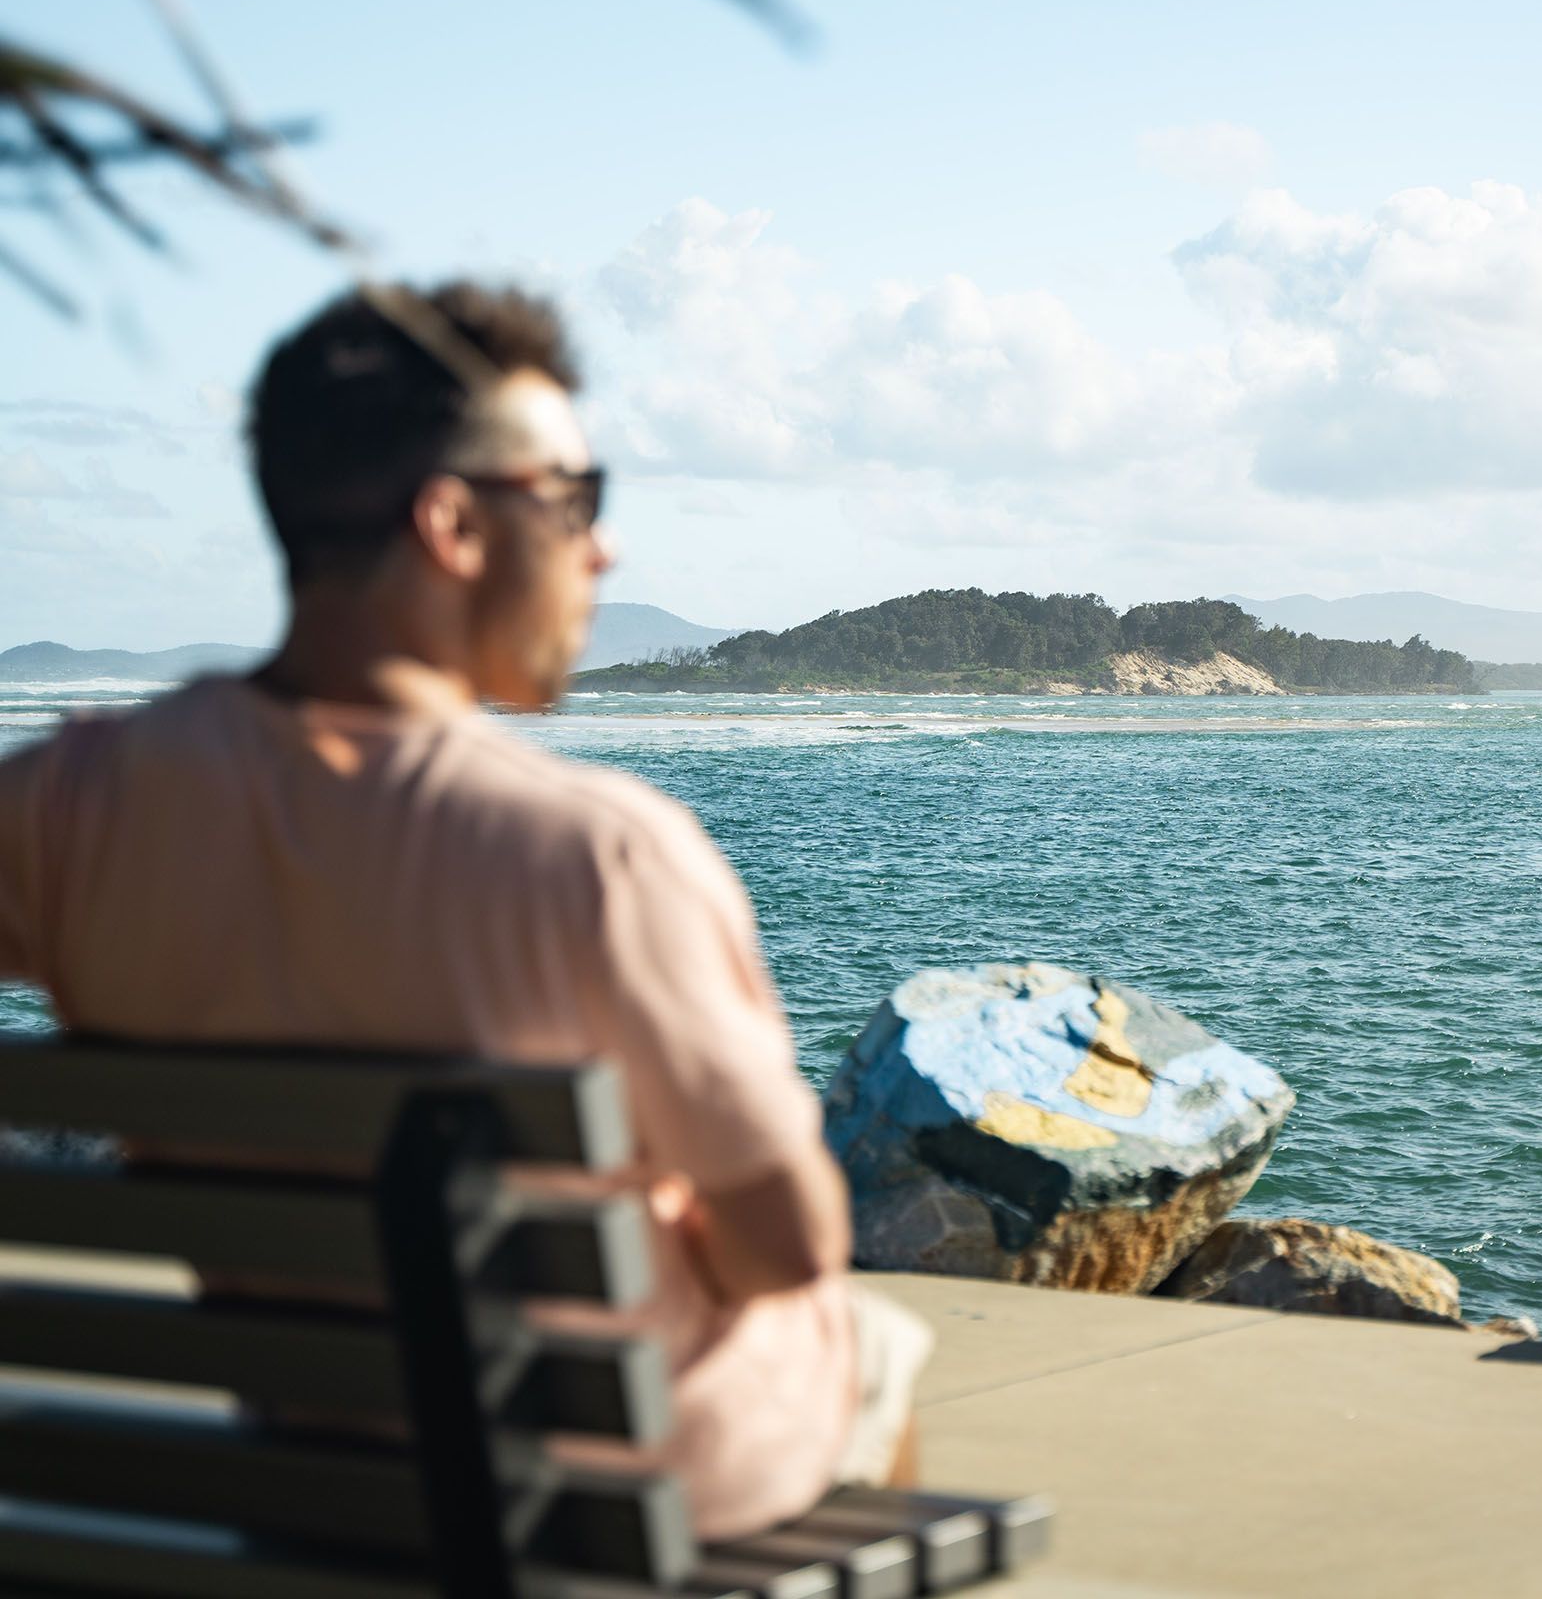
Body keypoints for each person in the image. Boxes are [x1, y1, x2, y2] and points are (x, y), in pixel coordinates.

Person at [0, 281, 926, 1540]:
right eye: (574, 501)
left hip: (304, 1456)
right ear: (450, 524)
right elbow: (787, 1245)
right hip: (599, 1493)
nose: (604, 550)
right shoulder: (599, 855)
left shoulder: (70, 807)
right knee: (867, 1344)